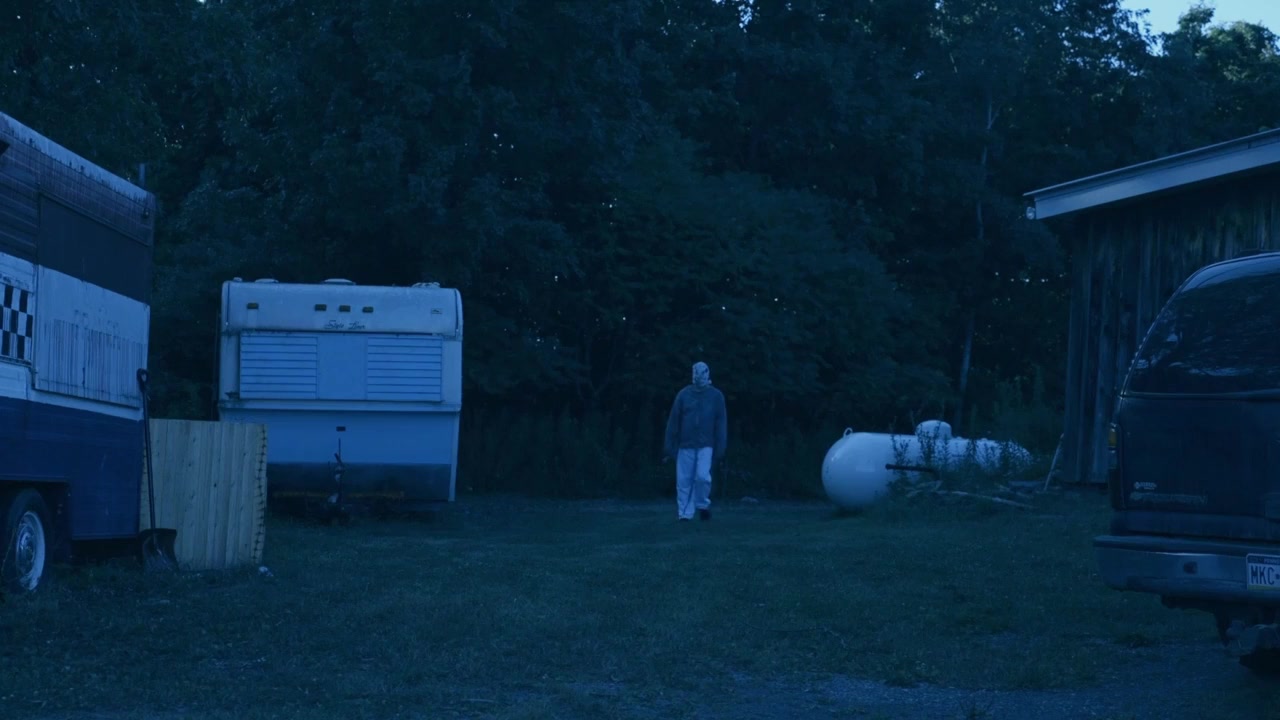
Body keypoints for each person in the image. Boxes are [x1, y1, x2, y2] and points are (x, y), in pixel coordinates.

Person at [663, 361, 727, 521]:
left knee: (702, 477)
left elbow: (720, 423)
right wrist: (670, 443)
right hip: (685, 444)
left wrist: (720, 445)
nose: (699, 376)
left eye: (702, 373)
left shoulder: (716, 396)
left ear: (708, 374)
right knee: (684, 480)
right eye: (696, 373)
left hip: (706, 445)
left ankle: (702, 504)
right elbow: (674, 420)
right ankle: (684, 514)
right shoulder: (683, 395)